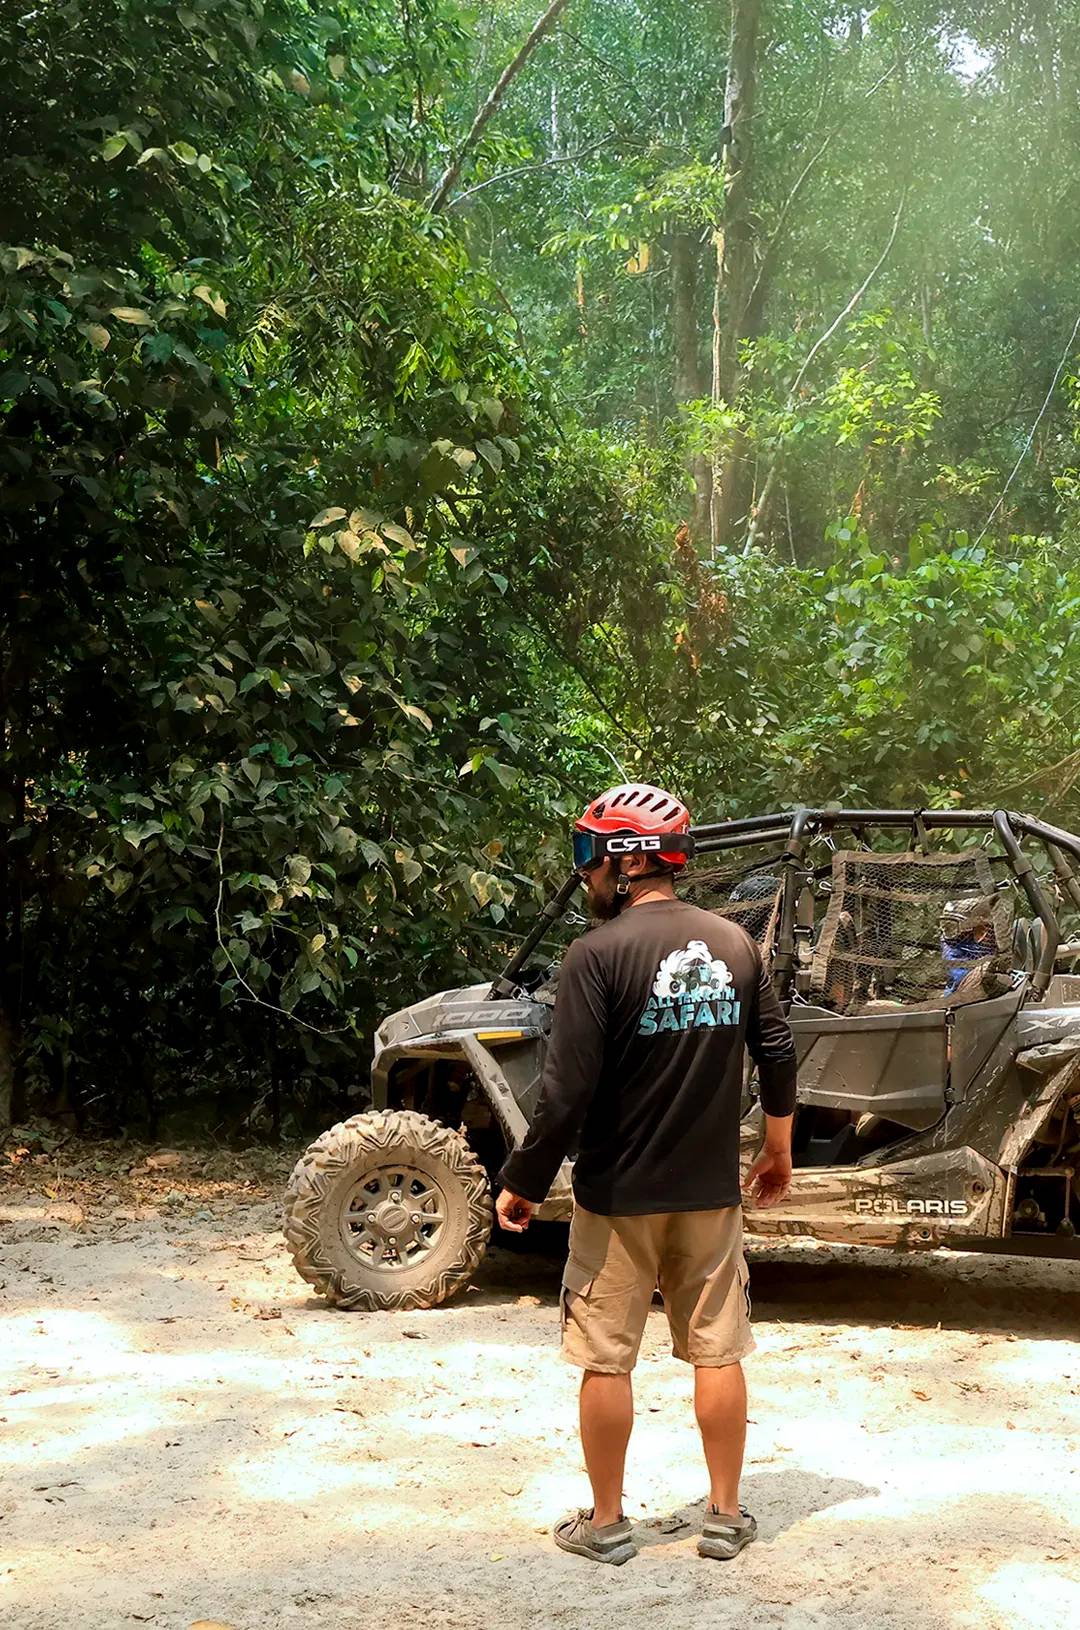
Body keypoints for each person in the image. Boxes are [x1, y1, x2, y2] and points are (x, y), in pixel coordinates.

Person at [496, 783, 797, 1567]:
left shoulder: (594, 956)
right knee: (718, 1350)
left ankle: (606, 1525)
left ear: (622, 861)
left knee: (605, 1356)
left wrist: (523, 1180)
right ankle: (726, 1517)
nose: (587, 874)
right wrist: (777, 1148)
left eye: (589, 856)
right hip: (708, 1194)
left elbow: (566, 1094)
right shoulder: (735, 944)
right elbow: (779, 1050)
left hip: (617, 1196)